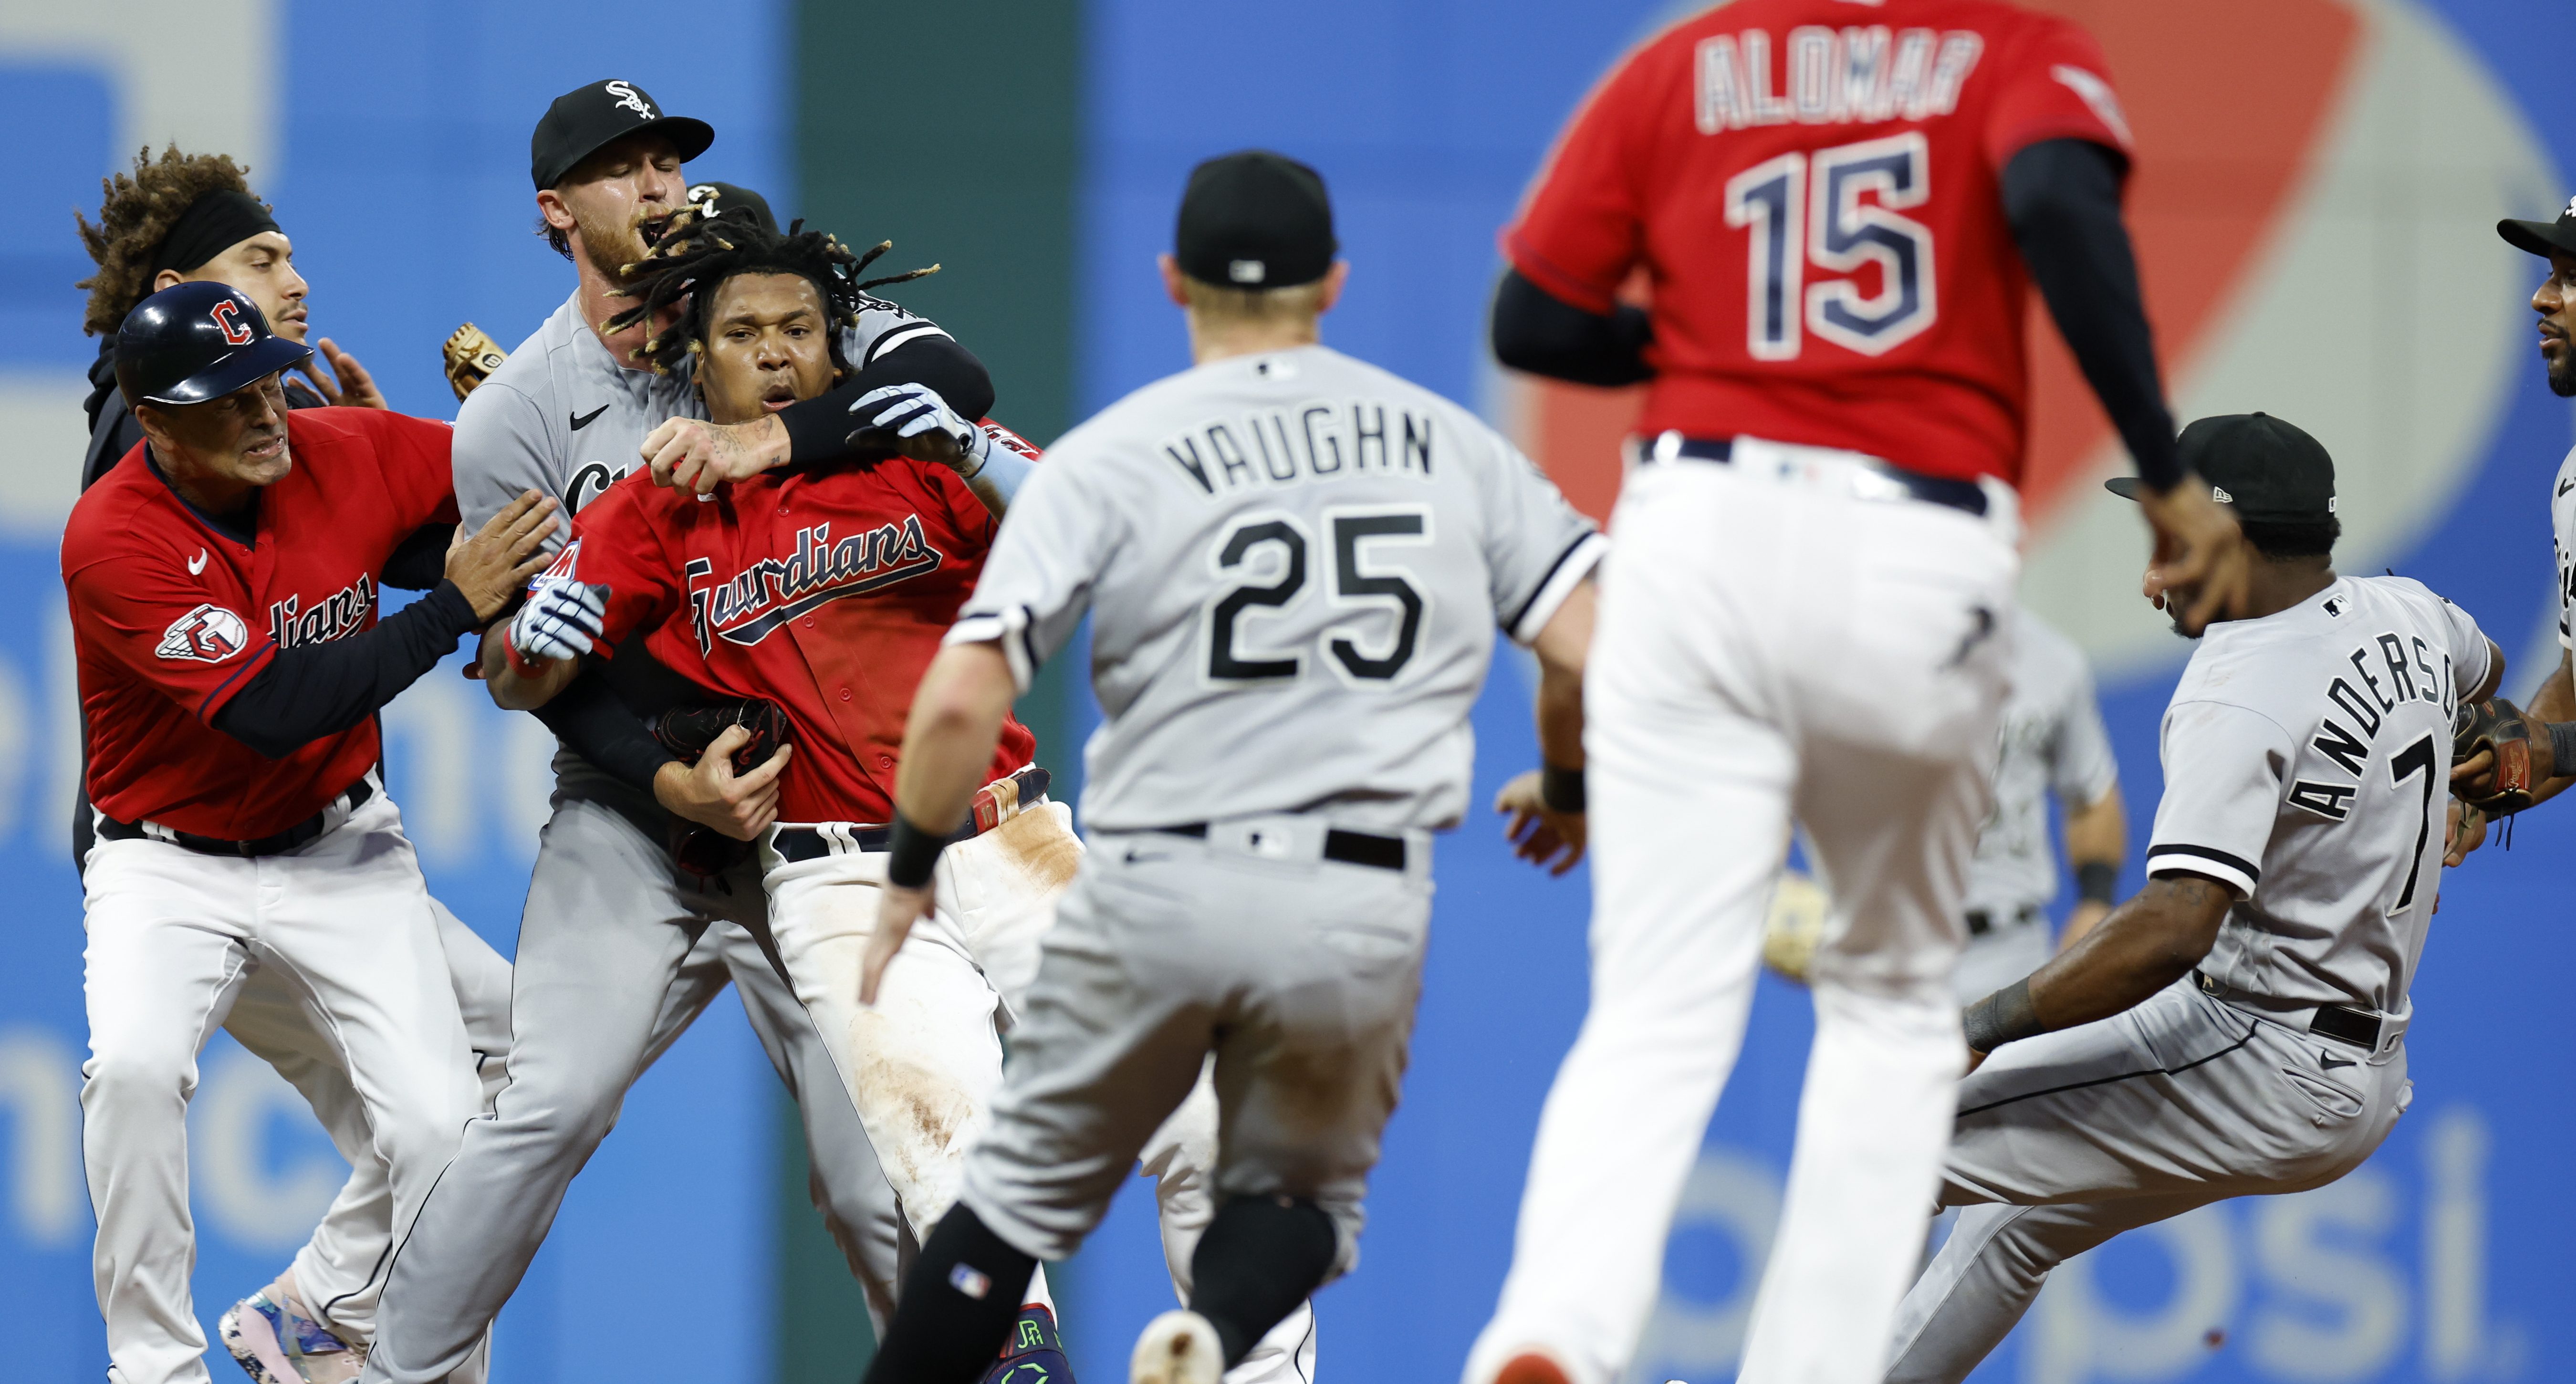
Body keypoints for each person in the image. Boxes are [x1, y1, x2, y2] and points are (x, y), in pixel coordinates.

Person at [1466, 6, 2257, 1381]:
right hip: (1910, 531)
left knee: (1655, 996)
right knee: (1891, 1000)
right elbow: (2055, 202)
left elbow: (1532, 315)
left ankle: (1549, 1331)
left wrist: (1701, 348)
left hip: (1693, 519)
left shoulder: (1681, 62)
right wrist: (2158, 460)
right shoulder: (2000, 46)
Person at [845, 149, 1601, 1384]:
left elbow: (962, 692)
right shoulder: (1445, 445)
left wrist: (913, 870)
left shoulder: (1111, 454)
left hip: (1155, 889)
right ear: (1335, 284)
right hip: (1350, 897)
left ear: (1173, 280)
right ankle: (1207, 1334)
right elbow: (1583, 649)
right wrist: (1565, 783)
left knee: (1001, 1223)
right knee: (1290, 1202)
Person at [355, 83, 955, 1384]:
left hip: (815, 813)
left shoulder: (774, 319)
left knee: (877, 1173)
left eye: (666, 161)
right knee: (550, 1100)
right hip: (633, 805)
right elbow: (536, 670)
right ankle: (389, 1369)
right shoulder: (510, 414)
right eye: (621, 168)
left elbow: (947, 384)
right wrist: (666, 776)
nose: (657, 186)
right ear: (556, 211)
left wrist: (789, 419)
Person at [1882, 413, 2496, 1380]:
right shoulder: (2409, 612)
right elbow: (2486, 676)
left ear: (2226, 534)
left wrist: (1982, 1022)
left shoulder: (2237, 685)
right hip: (2354, 1059)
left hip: (2259, 1049)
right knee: (2011, 1230)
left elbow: (2172, 927)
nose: (2149, 573)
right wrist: (2473, 764)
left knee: (1884, 1139)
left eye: (2167, 540)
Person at [72, 147, 514, 1384]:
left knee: (463, 1113)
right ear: (158, 416)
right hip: (170, 861)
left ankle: (329, 1313)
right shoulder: (118, 521)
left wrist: (418, 511)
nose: (267, 412)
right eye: (230, 395)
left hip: (335, 841)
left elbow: (490, 502)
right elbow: (269, 702)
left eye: (269, 384)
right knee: (138, 1069)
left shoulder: (321, 440)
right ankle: (156, 1367)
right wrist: (445, 603)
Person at [1955, 604, 2127, 999]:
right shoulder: (1865, 651)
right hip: (1892, 952)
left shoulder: (2049, 659)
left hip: (2012, 950)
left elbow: (2092, 793)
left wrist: (2095, 901)